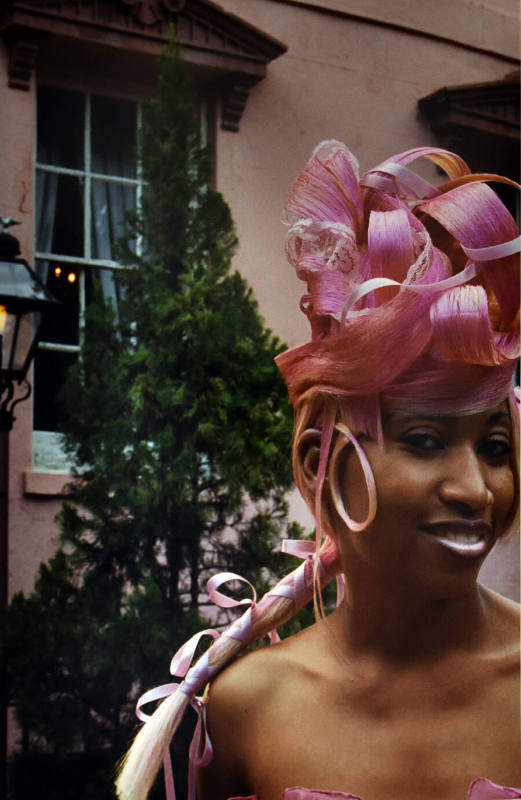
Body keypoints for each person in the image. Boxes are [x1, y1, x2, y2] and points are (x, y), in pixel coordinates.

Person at [116, 141, 521, 800]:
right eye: (422, 441)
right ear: (319, 465)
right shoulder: (243, 712)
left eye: (495, 447)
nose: (475, 489)